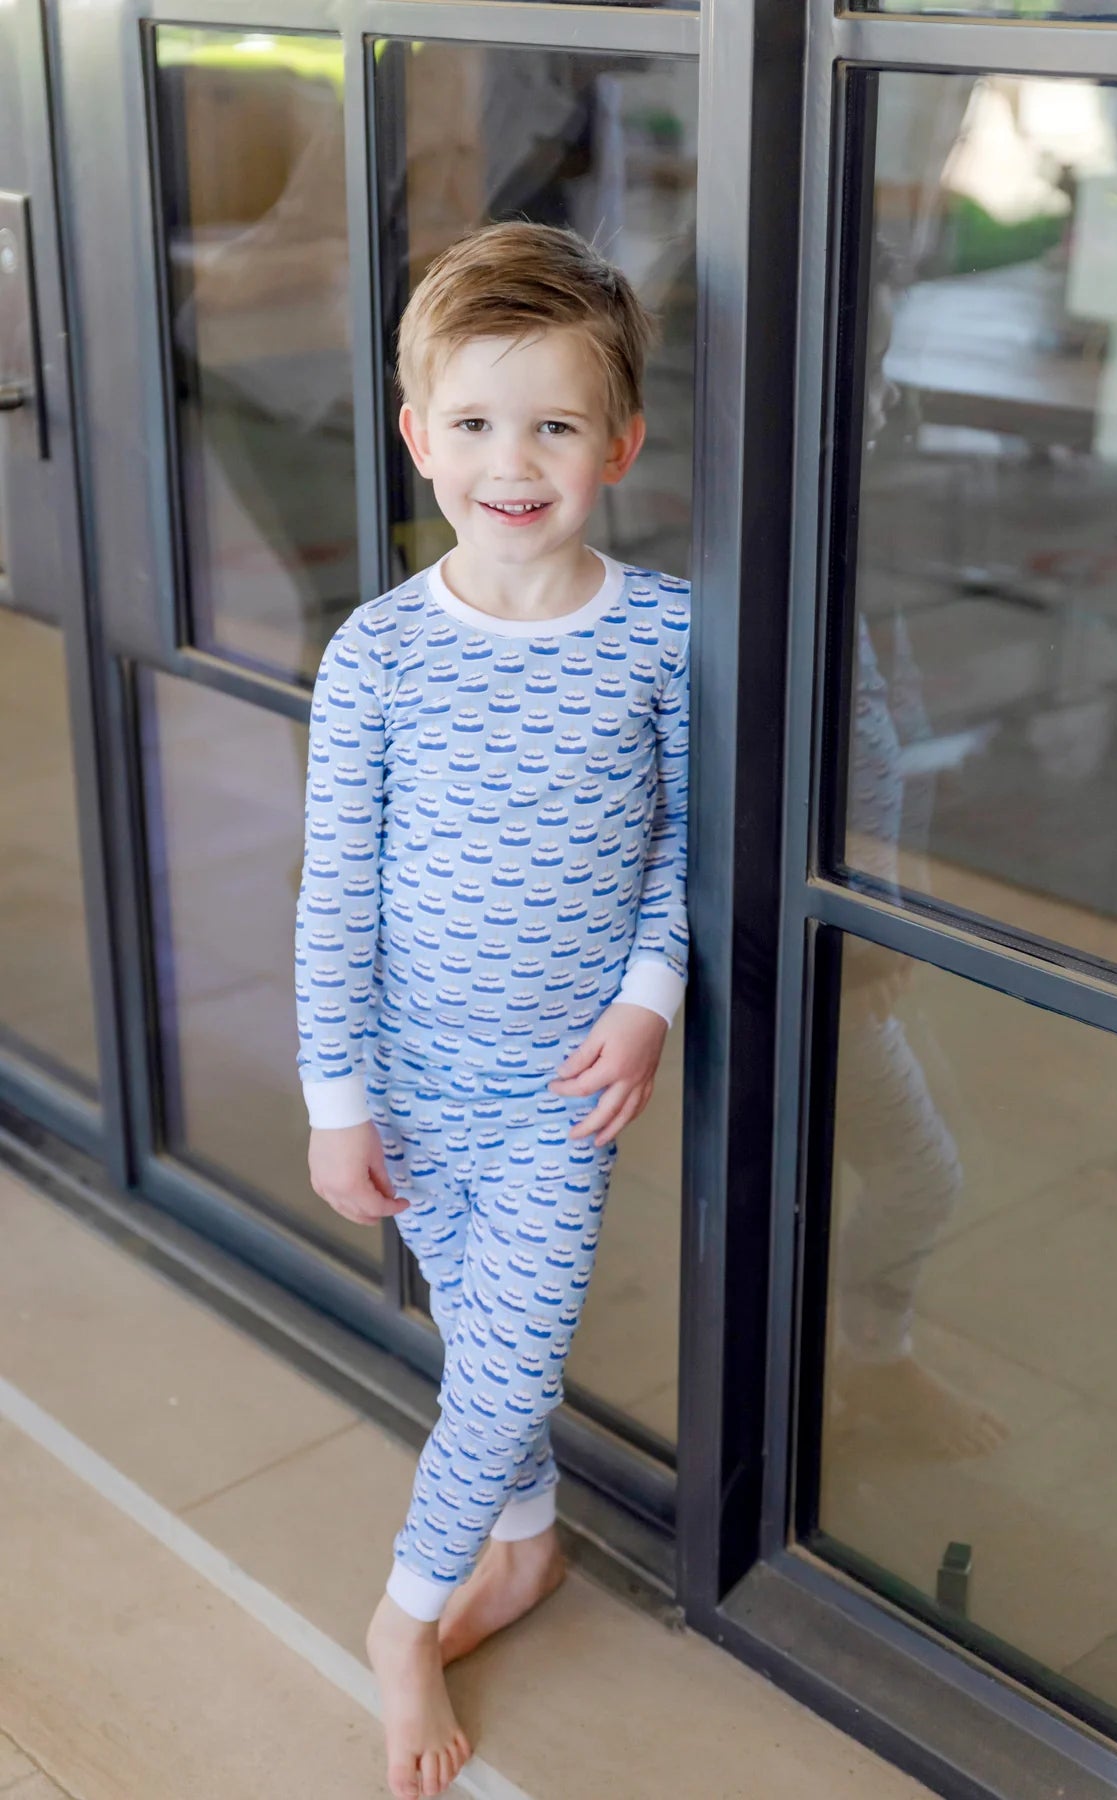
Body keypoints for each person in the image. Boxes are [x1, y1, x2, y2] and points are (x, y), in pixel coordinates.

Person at [293, 220, 689, 1800]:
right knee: (481, 1345)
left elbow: (681, 849)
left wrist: (650, 998)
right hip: (412, 1078)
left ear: (620, 443)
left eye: (554, 426)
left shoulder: (663, 636)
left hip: (556, 1097)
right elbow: (336, 896)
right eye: (472, 422)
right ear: (417, 436)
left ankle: (402, 1619)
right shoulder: (379, 655)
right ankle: (523, 1551)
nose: (510, 464)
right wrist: (338, 1103)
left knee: (510, 1372)